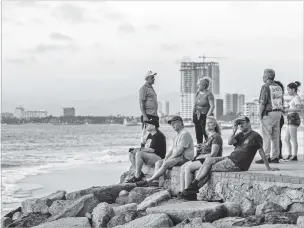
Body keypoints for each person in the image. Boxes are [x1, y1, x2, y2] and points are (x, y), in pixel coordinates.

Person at [179, 116, 279, 200]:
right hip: (230, 158)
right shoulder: (240, 134)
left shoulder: (255, 136)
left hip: (237, 164)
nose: (241, 125)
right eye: (239, 124)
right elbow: (230, 142)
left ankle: (192, 188)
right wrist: (234, 130)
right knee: (208, 160)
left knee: (209, 168)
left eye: (243, 123)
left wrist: (268, 167)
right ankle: (193, 189)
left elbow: (261, 151)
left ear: (249, 123)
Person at [136, 116, 194, 187]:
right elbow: (173, 149)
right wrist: (166, 157)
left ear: (181, 123)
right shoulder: (178, 135)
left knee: (166, 163)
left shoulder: (185, 134)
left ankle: (149, 180)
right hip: (179, 157)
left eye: (174, 123)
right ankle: (156, 182)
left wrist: (168, 159)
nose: (172, 125)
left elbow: (179, 151)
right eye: (171, 123)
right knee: (158, 162)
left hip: (185, 159)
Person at [179, 116, 222, 193]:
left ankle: (188, 192)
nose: (208, 124)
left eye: (210, 123)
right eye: (207, 123)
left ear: (215, 125)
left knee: (188, 168)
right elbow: (208, 148)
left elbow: (214, 154)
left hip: (208, 161)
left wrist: (200, 157)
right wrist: (201, 147)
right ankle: (182, 191)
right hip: (202, 159)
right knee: (182, 167)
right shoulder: (209, 136)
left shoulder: (216, 137)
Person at [256, 69, 284, 164]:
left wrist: (259, 114)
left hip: (268, 113)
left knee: (266, 136)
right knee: (276, 136)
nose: (263, 77)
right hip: (278, 113)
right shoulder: (278, 87)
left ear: (267, 77)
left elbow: (262, 102)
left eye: (264, 75)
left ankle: (266, 157)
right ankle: (275, 157)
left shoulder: (265, 87)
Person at [126, 119, 166, 183]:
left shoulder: (158, 135)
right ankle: (139, 173)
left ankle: (137, 176)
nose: (146, 125)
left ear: (153, 126)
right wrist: (135, 149)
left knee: (139, 153)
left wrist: (138, 150)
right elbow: (145, 147)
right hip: (150, 156)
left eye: (148, 124)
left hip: (158, 158)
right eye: (146, 124)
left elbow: (152, 150)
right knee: (131, 153)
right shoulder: (150, 135)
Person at [193, 77, 215, 148]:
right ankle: (199, 152)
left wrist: (207, 116)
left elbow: (212, 106)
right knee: (198, 135)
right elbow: (195, 105)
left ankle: (207, 151)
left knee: (206, 135)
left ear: (204, 85)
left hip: (205, 116)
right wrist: (193, 115)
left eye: (199, 84)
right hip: (197, 115)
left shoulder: (209, 94)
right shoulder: (197, 93)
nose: (198, 86)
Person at [139, 71, 159, 147]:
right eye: (152, 77)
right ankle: (143, 152)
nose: (154, 79)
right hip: (148, 115)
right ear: (147, 79)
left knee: (155, 136)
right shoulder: (143, 89)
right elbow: (141, 103)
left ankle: (153, 153)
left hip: (154, 115)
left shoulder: (151, 88)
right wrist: (144, 116)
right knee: (146, 136)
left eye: (153, 77)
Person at [284, 81, 302, 161]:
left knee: (293, 138)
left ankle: (294, 156)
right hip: (290, 118)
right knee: (286, 138)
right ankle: (290, 154)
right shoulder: (294, 98)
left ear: (293, 89)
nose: (288, 92)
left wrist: (288, 109)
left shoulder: (297, 98)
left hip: (294, 118)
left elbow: (299, 109)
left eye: (289, 90)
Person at [273, 80, 285, 160]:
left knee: (276, 137)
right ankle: (278, 154)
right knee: (277, 136)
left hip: (278, 117)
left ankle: (277, 154)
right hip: (280, 117)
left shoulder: (277, 98)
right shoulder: (280, 97)